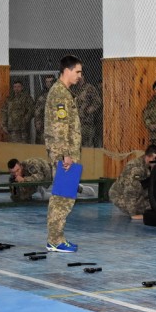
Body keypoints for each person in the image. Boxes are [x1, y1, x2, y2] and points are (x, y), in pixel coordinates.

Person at [44, 55, 83, 253]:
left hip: (67, 152)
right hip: (64, 154)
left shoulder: (64, 92)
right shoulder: (60, 93)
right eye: (77, 71)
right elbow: (60, 127)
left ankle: (56, 238)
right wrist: (66, 155)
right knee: (62, 198)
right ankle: (55, 240)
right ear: (67, 70)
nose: (80, 76)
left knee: (65, 196)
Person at [109, 145, 156, 220]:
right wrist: (133, 214)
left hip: (137, 192)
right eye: (155, 159)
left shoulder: (149, 165)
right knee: (149, 208)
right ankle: (133, 210)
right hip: (120, 195)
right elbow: (130, 191)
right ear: (147, 157)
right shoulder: (136, 168)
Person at [73, 76, 102, 147]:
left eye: (80, 76)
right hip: (75, 122)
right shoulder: (74, 88)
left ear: (83, 77)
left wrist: (90, 109)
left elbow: (98, 101)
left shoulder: (89, 88)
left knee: (87, 144)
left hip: (86, 122)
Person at [34, 75, 55, 144]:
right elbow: (37, 111)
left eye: (50, 82)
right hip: (45, 125)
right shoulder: (42, 96)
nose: (48, 84)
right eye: (47, 82)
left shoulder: (59, 94)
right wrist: (38, 123)